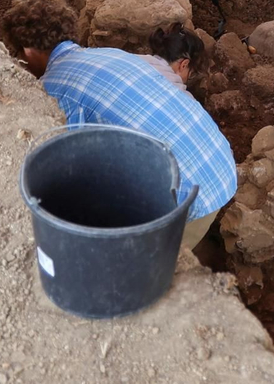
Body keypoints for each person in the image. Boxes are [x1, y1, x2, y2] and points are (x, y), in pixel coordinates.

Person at [25, 20, 236, 253]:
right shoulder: (173, 89)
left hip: (192, 193)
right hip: (220, 171)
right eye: (190, 72)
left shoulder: (122, 60)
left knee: (150, 263)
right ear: (184, 64)